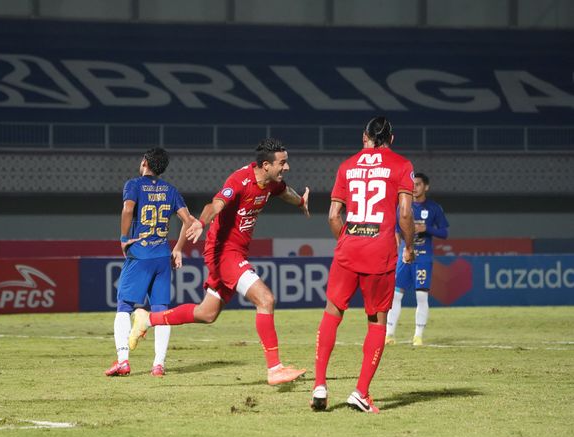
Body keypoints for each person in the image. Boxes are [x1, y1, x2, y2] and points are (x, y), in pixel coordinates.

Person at [129, 138, 310, 385]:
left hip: (236, 253)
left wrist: (300, 201)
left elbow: (285, 192)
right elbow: (214, 205)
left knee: (207, 313)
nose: (287, 167)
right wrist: (200, 223)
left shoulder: (271, 183)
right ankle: (274, 368)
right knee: (266, 299)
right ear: (266, 165)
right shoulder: (240, 180)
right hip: (224, 252)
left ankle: (148, 319)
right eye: (283, 163)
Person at [311, 116, 415, 413]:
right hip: (380, 251)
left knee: (332, 313)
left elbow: (333, 216)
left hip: (349, 246)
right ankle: (360, 392)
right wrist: (409, 245)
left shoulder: (347, 165)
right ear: (391, 139)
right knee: (377, 320)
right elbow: (405, 214)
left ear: (365, 136)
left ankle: (320, 384)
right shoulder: (401, 165)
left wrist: (346, 242)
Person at [105, 147, 196, 378]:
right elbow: (189, 221)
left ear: (145, 162)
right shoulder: (171, 190)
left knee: (124, 306)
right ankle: (158, 365)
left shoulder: (133, 185)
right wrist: (177, 248)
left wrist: (124, 239)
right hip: (162, 256)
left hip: (140, 254)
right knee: (161, 310)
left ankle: (123, 361)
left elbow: (128, 210)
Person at [386, 173, 449, 346]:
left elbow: (444, 232)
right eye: (412, 184)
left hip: (423, 257)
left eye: (418, 184)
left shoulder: (434, 208)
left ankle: (418, 336)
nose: (414, 187)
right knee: (396, 295)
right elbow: (396, 229)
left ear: (426, 187)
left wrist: (426, 228)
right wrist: (397, 237)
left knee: (421, 296)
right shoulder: (403, 206)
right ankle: (389, 334)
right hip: (405, 256)